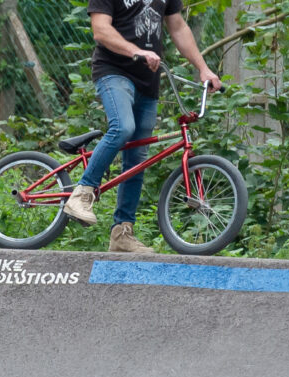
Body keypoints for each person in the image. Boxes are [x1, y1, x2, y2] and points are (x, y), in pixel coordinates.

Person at [62, 0, 222, 253]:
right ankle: (82, 194)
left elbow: (178, 27)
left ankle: (122, 233)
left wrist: (203, 69)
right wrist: (136, 51)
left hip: (147, 83)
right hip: (113, 72)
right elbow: (101, 30)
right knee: (122, 127)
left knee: (136, 159)